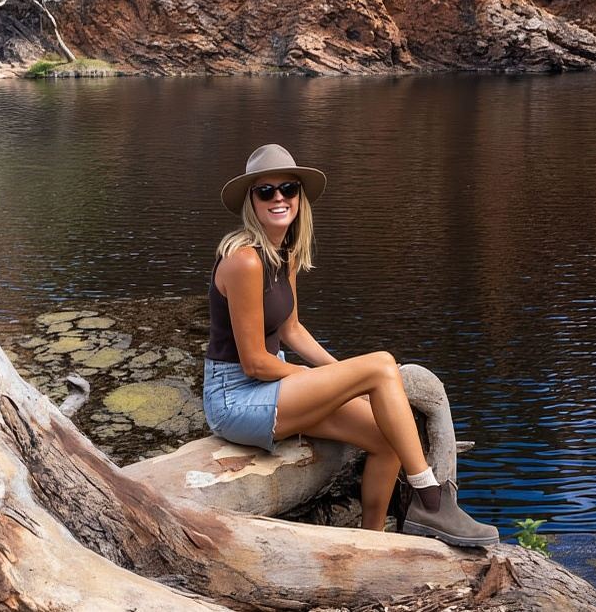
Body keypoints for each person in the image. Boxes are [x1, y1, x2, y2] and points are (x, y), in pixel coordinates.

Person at [203, 144, 498, 546]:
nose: (279, 199)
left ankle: (372, 545)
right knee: (381, 366)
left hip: (271, 387)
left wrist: (339, 374)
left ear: (299, 198)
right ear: (250, 202)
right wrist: (343, 377)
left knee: (388, 438)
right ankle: (432, 500)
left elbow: (290, 329)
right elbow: (254, 362)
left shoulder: (283, 253)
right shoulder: (244, 261)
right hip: (235, 398)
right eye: (265, 191)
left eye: (288, 189)